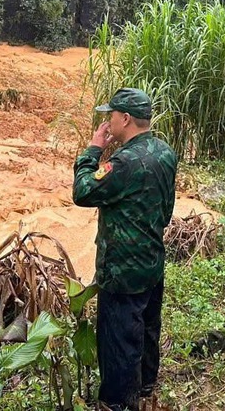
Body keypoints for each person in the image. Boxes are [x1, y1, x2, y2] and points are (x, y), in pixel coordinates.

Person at [72, 88, 178, 411]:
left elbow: (82, 191)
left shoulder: (124, 163)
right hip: (151, 261)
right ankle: (146, 386)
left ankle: (119, 402)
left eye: (112, 116)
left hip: (121, 270)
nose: (109, 122)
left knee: (119, 339)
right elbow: (167, 210)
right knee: (147, 327)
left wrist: (93, 149)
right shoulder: (164, 152)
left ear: (126, 119)